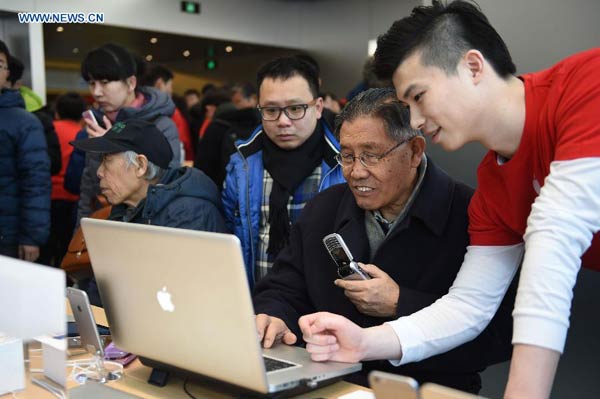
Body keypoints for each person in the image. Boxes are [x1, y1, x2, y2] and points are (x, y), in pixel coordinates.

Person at [299, 2, 600, 398]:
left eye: (420, 97)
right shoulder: (493, 188)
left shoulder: (585, 85)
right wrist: (366, 341)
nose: (417, 120)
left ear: (473, 67)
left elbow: (555, 238)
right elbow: (468, 306)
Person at [252, 88, 513, 392]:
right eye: (347, 156)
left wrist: (401, 303)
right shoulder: (324, 208)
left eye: (372, 155)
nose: (356, 172)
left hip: (426, 389)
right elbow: (285, 286)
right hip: (332, 382)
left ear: (415, 151)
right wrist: (274, 315)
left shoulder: (472, 215)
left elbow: (499, 333)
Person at [71, 118, 228, 304]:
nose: (99, 172)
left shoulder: (189, 214)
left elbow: (176, 300)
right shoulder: (126, 209)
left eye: (107, 160)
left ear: (140, 166)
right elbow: (104, 287)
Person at [222, 56, 345, 288]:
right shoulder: (242, 165)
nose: (283, 121)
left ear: (318, 108)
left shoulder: (343, 165)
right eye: (271, 110)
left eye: (296, 108)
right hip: (256, 302)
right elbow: (230, 234)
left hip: (320, 309)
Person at [76, 43, 181, 224]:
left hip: (145, 226)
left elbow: (168, 182)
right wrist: (81, 230)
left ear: (131, 83)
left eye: (105, 82)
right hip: (102, 223)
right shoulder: (99, 122)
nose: (97, 92)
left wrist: (115, 144)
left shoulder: (161, 124)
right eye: (92, 83)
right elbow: (89, 188)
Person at [0, 39, 50, 261]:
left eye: (0, 64)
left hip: (7, 235)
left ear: (6, 73)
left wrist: (31, 236)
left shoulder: (24, 122)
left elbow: (36, 180)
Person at [39, 92, 86, 267]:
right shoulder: (82, 134)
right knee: (66, 248)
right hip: (72, 200)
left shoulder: (49, 129)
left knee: (46, 249)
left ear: (57, 112)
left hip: (49, 196)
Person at [194, 82, 261, 189]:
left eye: (238, 102)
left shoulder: (217, 126)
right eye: (233, 102)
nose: (235, 106)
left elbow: (202, 167)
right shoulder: (264, 126)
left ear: (253, 99)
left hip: (221, 192)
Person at [141, 64, 194, 161]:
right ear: (160, 83)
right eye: (170, 86)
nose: (171, 91)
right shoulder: (170, 112)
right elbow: (183, 145)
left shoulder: (131, 108)